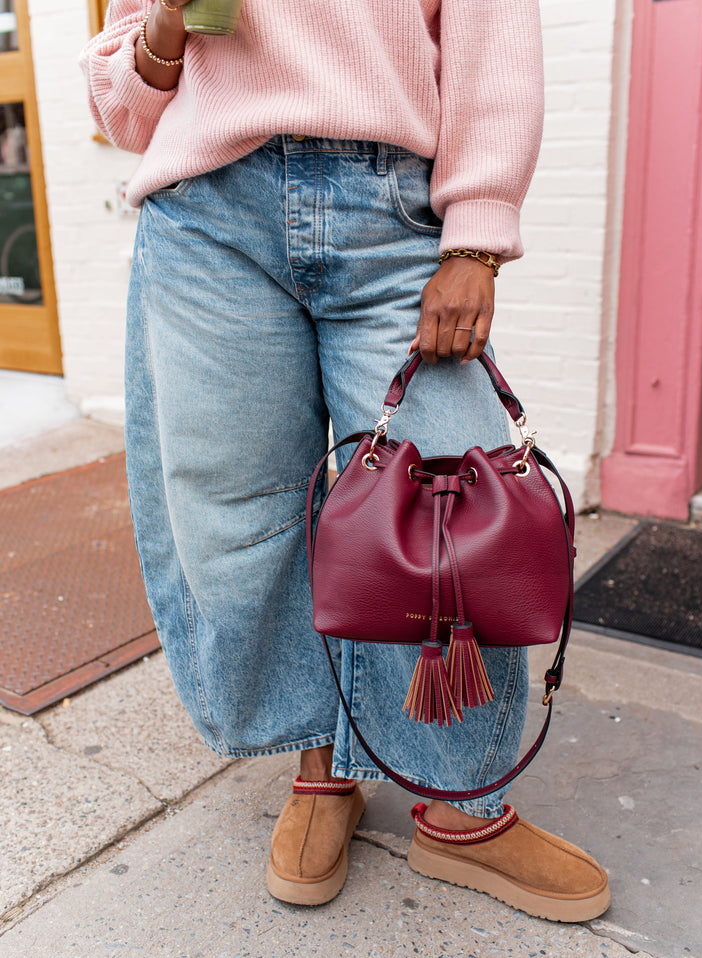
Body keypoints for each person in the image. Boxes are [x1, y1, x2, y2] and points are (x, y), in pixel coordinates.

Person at [81, 0, 610, 921]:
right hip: (208, 217)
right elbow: (123, 112)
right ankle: (320, 770)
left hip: (393, 209)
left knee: (454, 506)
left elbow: (491, 37)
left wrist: (477, 239)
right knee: (245, 516)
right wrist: (167, 20)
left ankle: (461, 806)